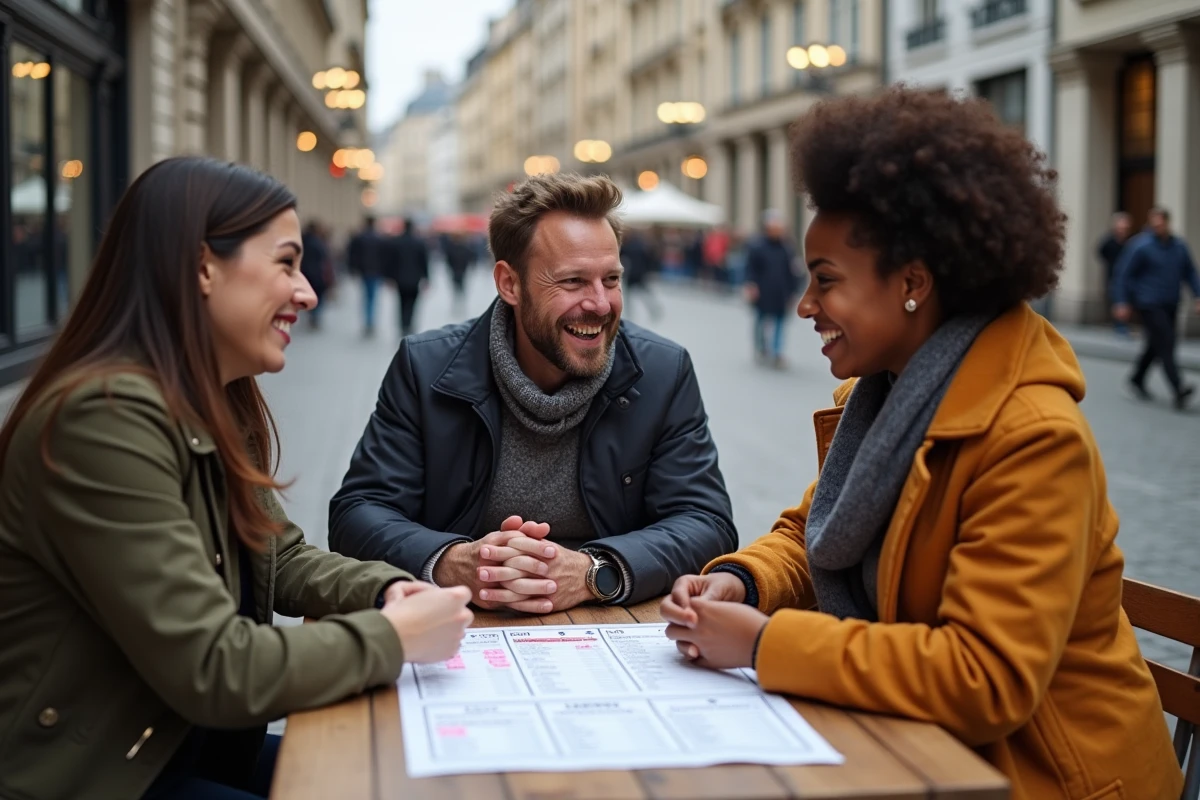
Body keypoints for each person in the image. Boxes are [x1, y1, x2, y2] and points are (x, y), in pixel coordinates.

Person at [661, 88, 1182, 800]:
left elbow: (983, 679)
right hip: (920, 753)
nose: (806, 306)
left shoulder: (1033, 438)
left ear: (912, 283)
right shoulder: (888, 397)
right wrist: (746, 581)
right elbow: (816, 534)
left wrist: (760, 643)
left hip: (1039, 781)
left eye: (826, 282)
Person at [0, 157, 474, 800]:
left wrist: (395, 587)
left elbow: (279, 554)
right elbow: (215, 665)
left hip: (175, 741)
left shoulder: (209, 396)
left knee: (409, 776)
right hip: (93, 772)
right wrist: (391, 639)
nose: (308, 291)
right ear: (202, 267)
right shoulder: (102, 420)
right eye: (286, 263)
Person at [329, 173, 736, 614]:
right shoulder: (425, 368)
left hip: (612, 623)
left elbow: (706, 522)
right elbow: (357, 513)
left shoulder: (662, 371)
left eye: (612, 279)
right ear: (510, 284)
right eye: (574, 281)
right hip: (457, 625)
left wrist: (594, 570)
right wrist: (454, 562)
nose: (601, 304)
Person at [1111, 206, 1200, 410]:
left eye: (1161, 223)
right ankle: (1178, 388)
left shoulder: (1178, 247)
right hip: (1149, 302)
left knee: (1155, 344)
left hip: (1171, 301)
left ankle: (1137, 378)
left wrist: (1198, 295)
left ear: (1168, 223)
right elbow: (1123, 274)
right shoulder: (1140, 246)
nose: (1158, 227)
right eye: (1155, 223)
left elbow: (1190, 272)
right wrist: (1121, 301)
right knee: (1167, 341)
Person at [744, 209, 799, 368]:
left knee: (780, 323)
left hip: (781, 292)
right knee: (761, 321)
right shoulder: (757, 246)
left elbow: (792, 271)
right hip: (762, 291)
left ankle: (777, 353)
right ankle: (761, 348)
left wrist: (793, 292)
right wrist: (751, 285)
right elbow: (750, 269)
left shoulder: (787, 247)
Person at [346, 215, 391, 338]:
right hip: (376, 271)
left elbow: (352, 254)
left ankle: (368, 321)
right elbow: (385, 258)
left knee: (366, 296)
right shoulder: (379, 238)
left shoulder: (360, 237)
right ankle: (370, 321)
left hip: (364, 271)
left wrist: (353, 269)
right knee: (373, 297)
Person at [390, 217, 430, 338]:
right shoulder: (418, 242)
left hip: (400, 279)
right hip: (414, 279)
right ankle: (409, 324)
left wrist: (390, 277)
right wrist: (427, 278)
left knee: (401, 303)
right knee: (412, 303)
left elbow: (392, 262)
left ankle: (403, 325)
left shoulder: (397, 242)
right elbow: (424, 262)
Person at [1096, 211, 1132, 336]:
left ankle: (1124, 323)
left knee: (1125, 298)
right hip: (1112, 275)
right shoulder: (1109, 241)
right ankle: (1119, 324)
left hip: (1128, 277)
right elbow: (1101, 252)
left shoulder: (1131, 242)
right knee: (1116, 298)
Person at [300, 219, 330, 330]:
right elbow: (325, 259)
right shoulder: (319, 242)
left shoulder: (303, 242)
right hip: (317, 273)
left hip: (305, 273)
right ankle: (315, 315)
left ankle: (312, 315)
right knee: (318, 296)